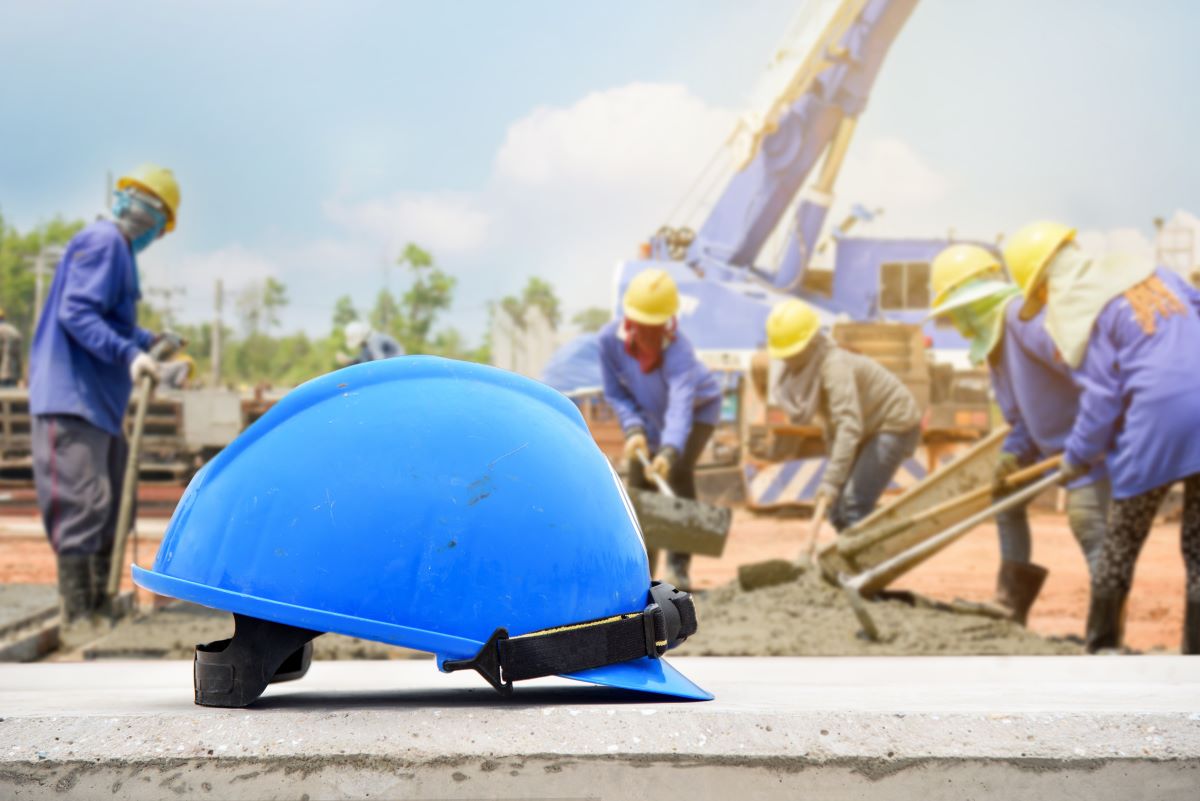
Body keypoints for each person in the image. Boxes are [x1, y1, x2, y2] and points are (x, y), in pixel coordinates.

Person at [1006, 220, 1200, 653]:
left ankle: (1104, 648)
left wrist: (1077, 457)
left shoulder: (1101, 310)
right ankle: (1196, 661)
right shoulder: (1162, 278)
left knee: (1122, 539)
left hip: (1157, 427)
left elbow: (1101, 401)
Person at [28, 163, 180, 635]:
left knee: (110, 506)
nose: (150, 226)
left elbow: (108, 322)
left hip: (98, 403)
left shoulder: (116, 252)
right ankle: (79, 614)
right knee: (85, 503)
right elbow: (77, 312)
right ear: (141, 211)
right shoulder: (103, 242)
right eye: (152, 214)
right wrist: (128, 352)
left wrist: (148, 342)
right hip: (72, 397)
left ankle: (96, 604)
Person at [928, 243, 1110, 625]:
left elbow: (1091, 377)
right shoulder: (993, 347)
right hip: (1061, 452)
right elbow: (1024, 419)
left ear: (971, 302)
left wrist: (1088, 444)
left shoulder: (1022, 319)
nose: (956, 324)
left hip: (1095, 447)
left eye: (956, 311)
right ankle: (1010, 604)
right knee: (1005, 496)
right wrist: (1013, 454)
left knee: (1087, 522)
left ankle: (1107, 631)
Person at [599, 268, 721, 589]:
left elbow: (681, 405)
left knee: (676, 473)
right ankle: (645, 576)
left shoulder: (679, 350)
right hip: (650, 417)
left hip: (697, 413)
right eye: (643, 325)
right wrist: (633, 429)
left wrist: (668, 450)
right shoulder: (609, 343)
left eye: (657, 326)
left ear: (668, 322)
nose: (650, 333)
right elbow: (616, 393)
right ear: (630, 319)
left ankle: (679, 569)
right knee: (641, 489)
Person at [766, 298, 921, 532]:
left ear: (810, 342)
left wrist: (831, 481)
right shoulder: (809, 372)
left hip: (894, 424)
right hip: (866, 427)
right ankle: (849, 564)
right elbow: (832, 427)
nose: (789, 360)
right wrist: (834, 481)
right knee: (836, 512)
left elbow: (849, 426)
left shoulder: (834, 365)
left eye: (793, 352)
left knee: (853, 505)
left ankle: (870, 567)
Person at [339, 320, 404, 365]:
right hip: (392, 363)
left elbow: (379, 363)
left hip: (397, 365)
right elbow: (363, 360)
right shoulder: (367, 344)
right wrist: (349, 361)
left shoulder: (374, 342)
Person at [0, 308, 23, 387]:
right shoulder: (13, 330)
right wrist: (20, 375)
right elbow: (19, 356)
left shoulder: (1, 330)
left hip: (3, 376)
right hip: (13, 375)